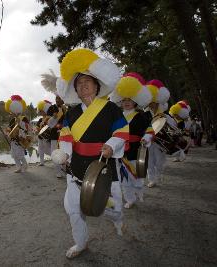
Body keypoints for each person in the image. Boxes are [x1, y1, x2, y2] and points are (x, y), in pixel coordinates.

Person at [51, 48, 129, 259]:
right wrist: (65, 154)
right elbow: (66, 136)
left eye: (87, 81)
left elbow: (122, 131)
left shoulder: (111, 108)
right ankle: (81, 242)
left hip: (103, 167)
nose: (83, 85)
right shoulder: (72, 113)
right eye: (78, 83)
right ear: (75, 90)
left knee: (111, 207)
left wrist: (112, 145)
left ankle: (117, 218)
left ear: (97, 85)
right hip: (76, 167)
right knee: (73, 209)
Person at [109, 72, 154, 208]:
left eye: (129, 100)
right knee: (123, 179)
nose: (127, 102)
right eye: (124, 100)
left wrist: (146, 138)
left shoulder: (141, 116)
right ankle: (130, 199)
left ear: (135, 101)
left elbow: (150, 130)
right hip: (120, 152)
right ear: (120, 101)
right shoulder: (117, 117)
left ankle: (138, 192)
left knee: (137, 179)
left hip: (136, 151)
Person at [144, 79, 171, 188]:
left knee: (160, 161)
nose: (152, 104)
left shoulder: (165, 116)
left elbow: (170, 129)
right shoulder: (144, 115)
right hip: (149, 142)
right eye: (150, 102)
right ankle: (152, 179)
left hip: (161, 142)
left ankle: (158, 175)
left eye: (154, 102)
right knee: (149, 161)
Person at [5, 95, 31, 173]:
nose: (12, 113)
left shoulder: (24, 118)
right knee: (14, 154)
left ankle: (25, 165)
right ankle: (18, 167)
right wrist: (8, 131)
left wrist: (20, 123)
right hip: (13, 139)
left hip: (21, 139)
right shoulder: (12, 120)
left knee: (19, 154)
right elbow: (9, 128)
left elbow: (27, 128)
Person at [46, 95, 68, 178]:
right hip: (54, 135)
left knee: (64, 151)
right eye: (56, 98)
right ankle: (58, 171)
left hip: (64, 134)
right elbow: (47, 123)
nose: (57, 100)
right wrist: (53, 118)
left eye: (59, 98)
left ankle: (65, 169)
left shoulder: (65, 109)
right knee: (55, 153)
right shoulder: (52, 108)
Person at [35, 100, 52, 166]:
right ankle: (41, 162)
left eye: (41, 110)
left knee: (47, 150)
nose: (40, 112)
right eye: (40, 111)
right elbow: (37, 127)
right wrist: (37, 129)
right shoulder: (40, 119)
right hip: (40, 137)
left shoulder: (50, 118)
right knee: (40, 149)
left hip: (46, 137)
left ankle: (55, 159)